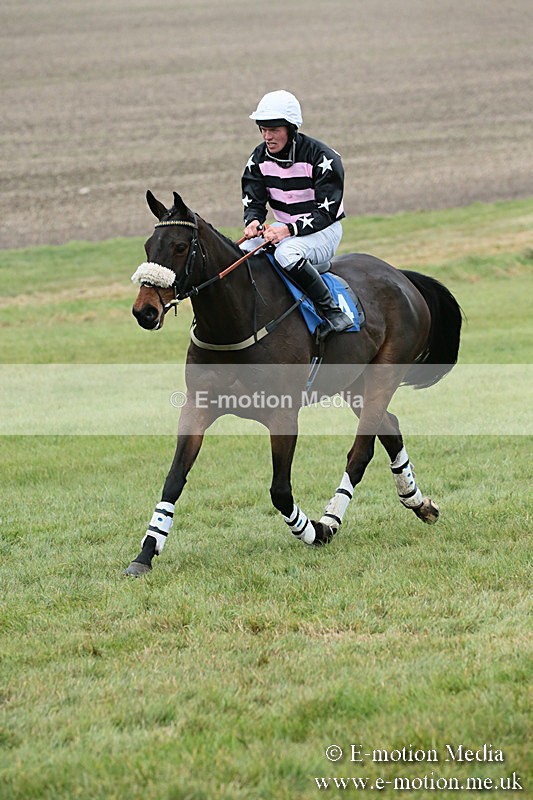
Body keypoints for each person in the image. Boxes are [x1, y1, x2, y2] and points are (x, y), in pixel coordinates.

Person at [241, 90, 353, 335]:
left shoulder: (323, 158)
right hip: (283, 229)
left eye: (274, 130)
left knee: (286, 253)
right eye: (263, 129)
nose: (267, 136)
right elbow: (255, 201)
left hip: (324, 231)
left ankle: (332, 312)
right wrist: (253, 221)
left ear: (291, 128)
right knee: (241, 252)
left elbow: (327, 213)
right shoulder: (258, 158)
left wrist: (289, 229)